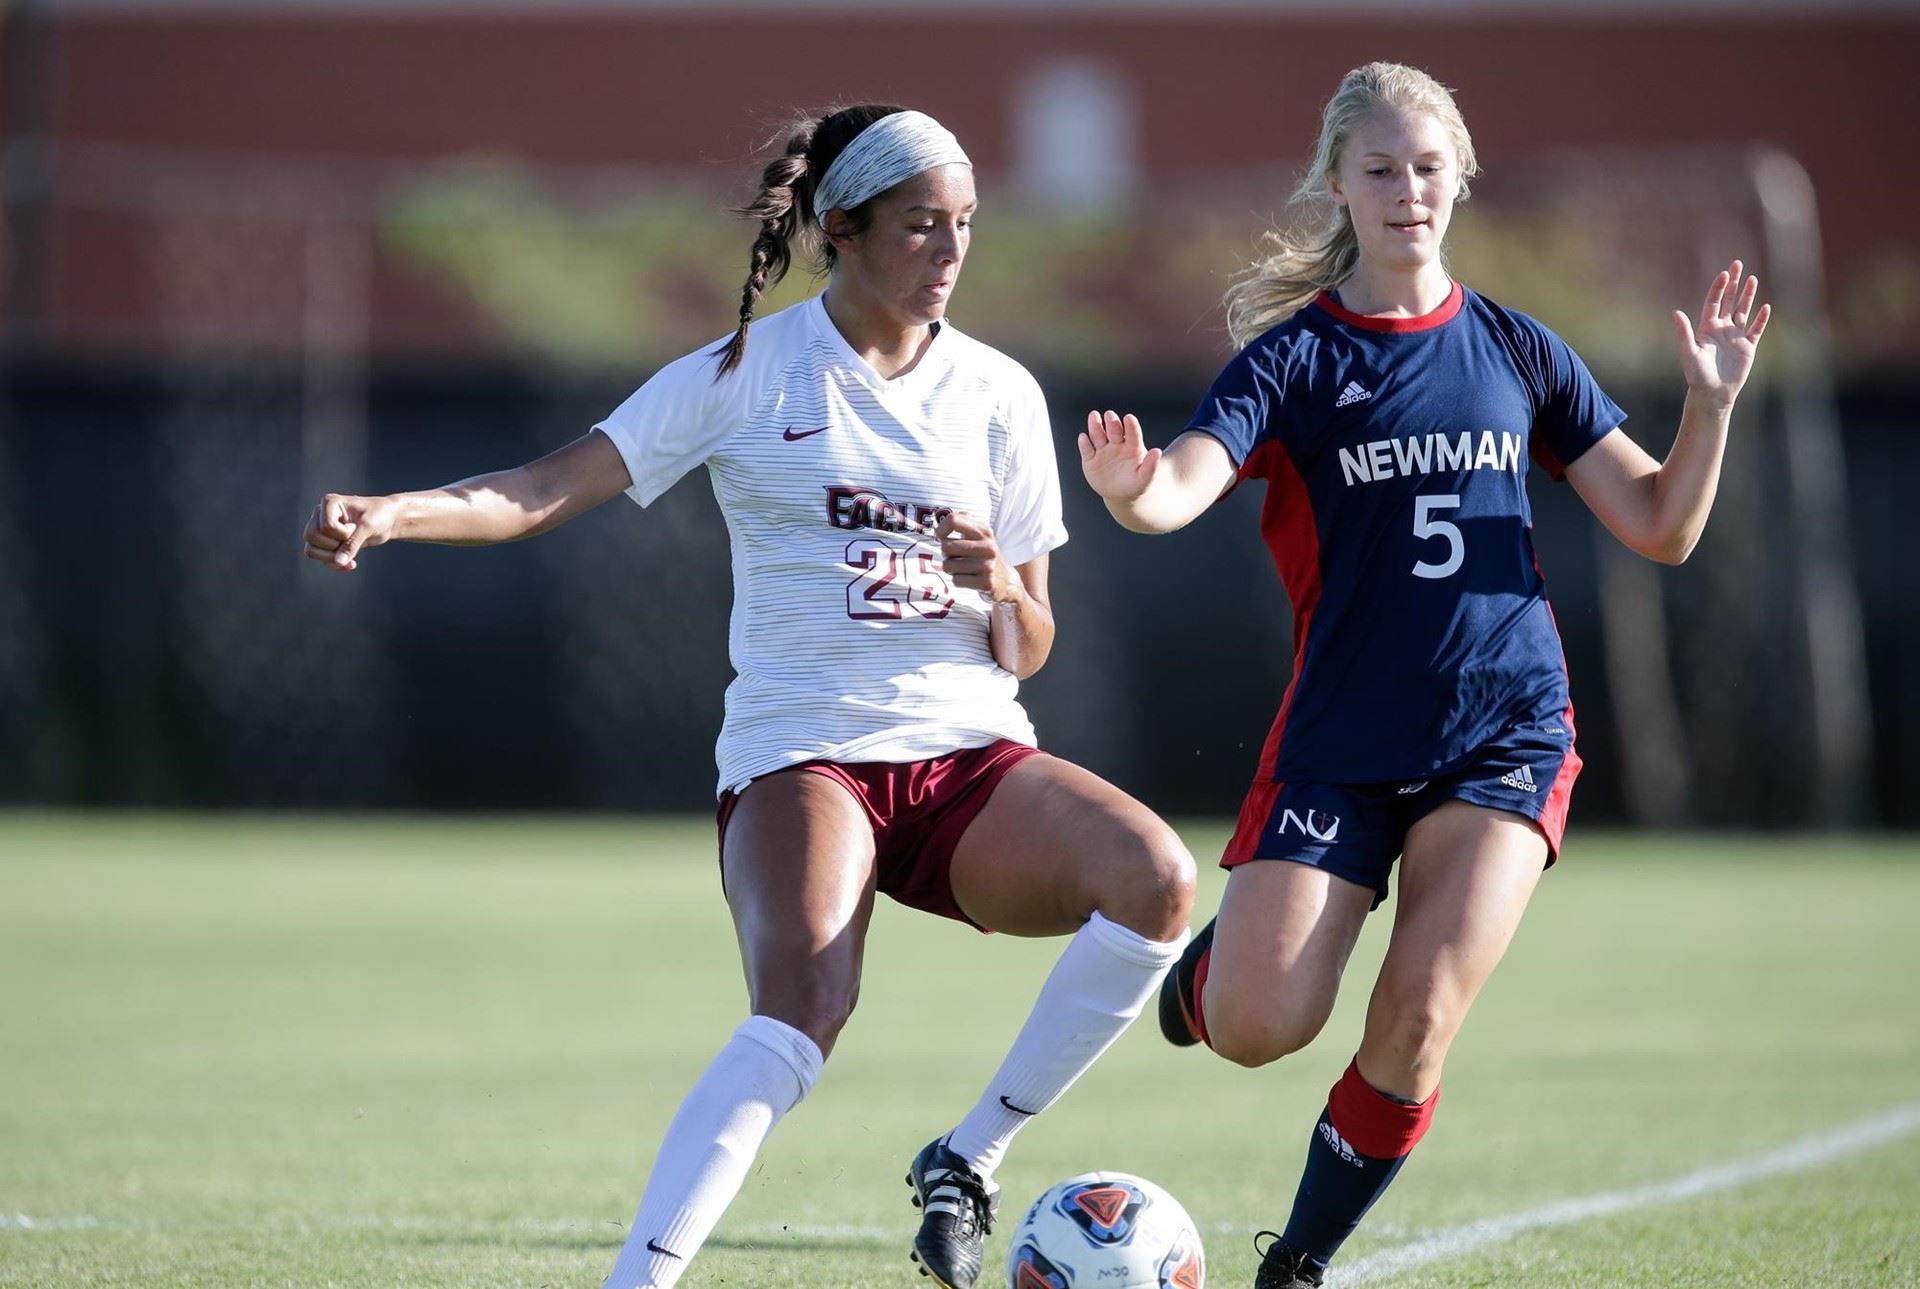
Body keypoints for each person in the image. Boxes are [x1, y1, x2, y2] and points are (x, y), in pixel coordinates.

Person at [302, 104, 1196, 1289]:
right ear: (845, 227)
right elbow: (535, 488)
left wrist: (999, 591)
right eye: (922, 224)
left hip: (968, 754)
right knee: (805, 1002)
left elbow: (1028, 646)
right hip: (805, 751)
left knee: (1159, 879)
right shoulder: (744, 369)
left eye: (965, 224)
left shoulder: (998, 393)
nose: (950, 249)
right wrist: (391, 511)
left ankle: (969, 1155)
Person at [1077, 63, 1769, 1289]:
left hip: (1504, 727)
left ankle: (1296, 1258)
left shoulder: (1514, 345)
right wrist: (1136, 495)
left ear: (1460, 179)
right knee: (1258, 1026)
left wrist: (1708, 408)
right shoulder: (1296, 361)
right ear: (1339, 181)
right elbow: (1181, 481)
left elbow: (1663, 524)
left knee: (1419, 1011)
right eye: (1382, 168)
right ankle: (1208, 976)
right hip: (1345, 734)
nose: (1408, 191)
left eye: (1429, 167)